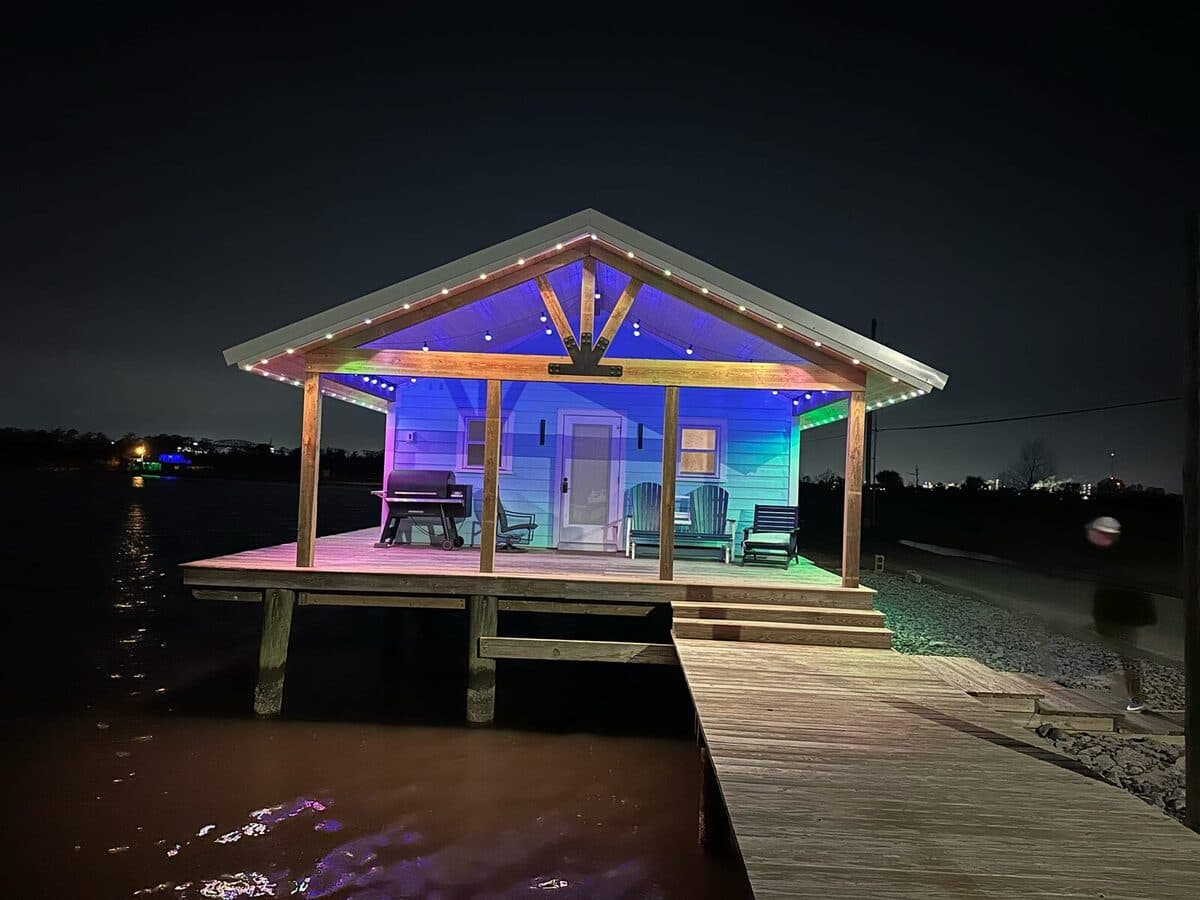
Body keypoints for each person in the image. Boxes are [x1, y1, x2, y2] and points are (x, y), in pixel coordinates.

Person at [1086, 516, 1156, 712]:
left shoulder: (1116, 558)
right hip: (1123, 616)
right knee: (1125, 654)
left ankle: (1136, 698)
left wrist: (1103, 621)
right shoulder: (1116, 555)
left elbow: (1114, 594)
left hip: (1124, 616)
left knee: (1127, 655)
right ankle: (1132, 695)